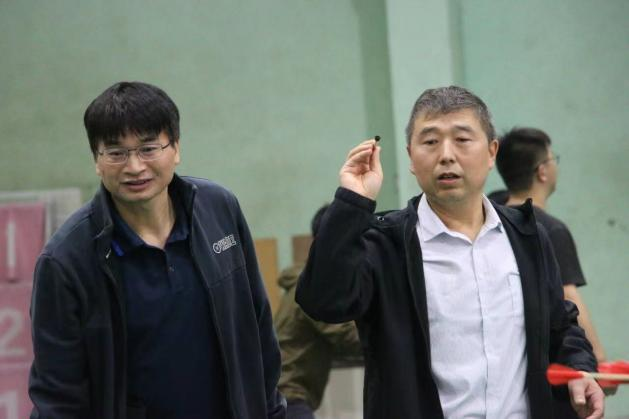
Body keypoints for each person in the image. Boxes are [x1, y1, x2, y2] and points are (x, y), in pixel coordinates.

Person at [296, 86, 604, 418]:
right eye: (430, 141)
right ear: (411, 157)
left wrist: (579, 368)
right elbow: (323, 302)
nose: (446, 155)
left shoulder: (527, 236)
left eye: (462, 139)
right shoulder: (385, 244)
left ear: (491, 152)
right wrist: (353, 201)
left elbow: (560, 326)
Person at [28, 81, 286, 419]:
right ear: (96, 160)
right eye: (116, 153)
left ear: (175, 148)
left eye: (148, 148)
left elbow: (258, 330)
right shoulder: (65, 261)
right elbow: (57, 396)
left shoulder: (219, 210)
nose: (135, 167)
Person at [494, 127, 606, 363]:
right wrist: (598, 360)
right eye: (553, 158)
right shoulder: (550, 230)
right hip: (545, 358)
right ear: (542, 172)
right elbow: (568, 295)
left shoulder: (492, 213)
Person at [274, 204, 362, 419]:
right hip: (289, 395)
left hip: (286, 394)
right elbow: (346, 336)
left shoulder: (306, 281)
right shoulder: (315, 287)